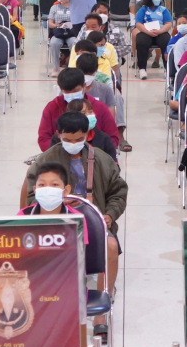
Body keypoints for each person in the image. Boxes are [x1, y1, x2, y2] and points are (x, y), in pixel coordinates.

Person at [22, 111, 127, 297]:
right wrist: (54, 201)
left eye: (78, 139)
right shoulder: (45, 161)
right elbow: (31, 196)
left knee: (110, 246)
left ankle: (104, 298)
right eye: (67, 140)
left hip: (92, 221)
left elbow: (118, 193)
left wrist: (109, 215)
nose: (73, 144)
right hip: (56, 222)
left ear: (87, 134)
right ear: (58, 134)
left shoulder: (102, 160)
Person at [18, 162, 109, 280]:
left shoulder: (76, 220)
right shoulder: (23, 216)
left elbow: (79, 260)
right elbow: (19, 257)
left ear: (66, 190)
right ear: (35, 190)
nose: (48, 189)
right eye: (42, 185)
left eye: (54, 184)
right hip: (32, 281)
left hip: (67, 281)